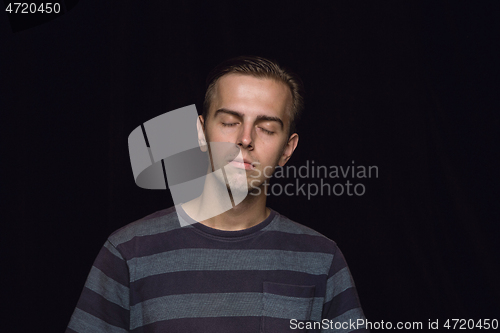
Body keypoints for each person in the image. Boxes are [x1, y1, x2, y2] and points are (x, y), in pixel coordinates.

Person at [66, 56, 368, 332]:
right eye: (229, 122)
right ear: (201, 132)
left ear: (287, 149)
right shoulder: (128, 252)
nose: (245, 139)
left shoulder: (321, 260)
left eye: (266, 128)